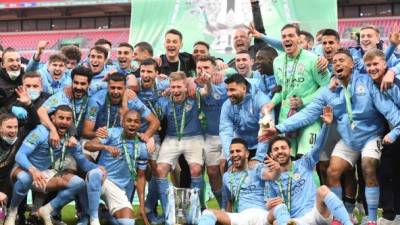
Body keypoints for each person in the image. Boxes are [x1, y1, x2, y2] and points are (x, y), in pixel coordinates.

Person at [263, 49, 400, 225]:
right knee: (332, 171)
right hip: (349, 138)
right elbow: (308, 114)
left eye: (342, 60)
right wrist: (279, 128)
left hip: (371, 136)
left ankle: (372, 219)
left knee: (368, 166)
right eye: (334, 62)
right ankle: (341, 216)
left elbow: (391, 111)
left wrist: (395, 130)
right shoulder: (328, 91)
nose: (337, 64)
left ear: (352, 64)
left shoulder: (366, 83)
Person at [3, 105, 103, 225]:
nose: (64, 122)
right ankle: (12, 212)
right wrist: (33, 170)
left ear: (71, 121)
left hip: (43, 174)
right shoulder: (40, 132)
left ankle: (47, 210)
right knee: (26, 178)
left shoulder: (70, 140)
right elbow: (19, 156)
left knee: (78, 183)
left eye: (68, 119)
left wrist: (98, 168)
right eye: (61, 118)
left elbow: (84, 164)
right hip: (21, 170)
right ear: (53, 118)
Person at [265, 107, 353, 225]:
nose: (280, 151)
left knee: (323, 190)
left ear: (290, 150)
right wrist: (269, 205)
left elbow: (318, 146)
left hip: (316, 213)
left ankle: (347, 223)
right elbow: (269, 206)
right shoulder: (271, 178)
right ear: (271, 154)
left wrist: (326, 126)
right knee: (276, 221)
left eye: (283, 148)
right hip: (295, 220)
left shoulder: (304, 163)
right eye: (276, 149)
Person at [264, 24, 331, 157]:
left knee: (306, 160)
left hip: (309, 118)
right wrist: (272, 103)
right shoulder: (277, 61)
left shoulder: (314, 59)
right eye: (284, 36)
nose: (287, 39)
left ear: (299, 38)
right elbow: (282, 89)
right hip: (286, 117)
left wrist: (304, 100)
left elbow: (327, 87)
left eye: (291, 35)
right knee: (286, 160)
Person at [154, 71, 211, 218]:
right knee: (160, 170)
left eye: (179, 87)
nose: (176, 90)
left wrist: (204, 82)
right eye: (173, 87)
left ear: (186, 87)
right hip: (172, 138)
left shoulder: (194, 96)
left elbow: (206, 91)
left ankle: (195, 211)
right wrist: (162, 92)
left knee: (196, 170)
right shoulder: (164, 101)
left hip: (194, 137)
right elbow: (154, 116)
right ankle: (170, 212)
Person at [84, 110, 149, 225]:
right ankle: (94, 219)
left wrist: (142, 207)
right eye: (129, 121)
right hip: (102, 179)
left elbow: (141, 178)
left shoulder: (142, 147)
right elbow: (88, 145)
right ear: (122, 122)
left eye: (136, 121)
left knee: (128, 223)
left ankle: (105, 213)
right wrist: (105, 147)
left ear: (139, 124)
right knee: (95, 173)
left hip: (118, 188)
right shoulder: (111, 133)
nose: (132, 124)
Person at [197, 138, 280, 225]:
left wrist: (277, 170)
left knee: (278, 219)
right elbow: (228, 201)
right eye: (232, 152)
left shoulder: (256, 167)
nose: (235, 154)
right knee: (207, 212)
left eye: (238, 151)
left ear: (247, 154)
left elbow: (272, 176)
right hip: (241, 217)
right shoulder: (227, 176)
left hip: (262, 215)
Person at [81, 72, 159, 159]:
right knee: (85, 156)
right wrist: (98, 134)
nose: (115, 91)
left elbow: (155, 121)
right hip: (100, 138)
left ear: (125, 88)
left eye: (119, 88)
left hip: (123, 139)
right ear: (107, 87)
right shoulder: (96, 101)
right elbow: (86, 132)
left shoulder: (132, 100)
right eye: (112, 88)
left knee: (146, 152)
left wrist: (147, 136)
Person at [363, 49, 400, 224]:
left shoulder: (393, 84)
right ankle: (390, 213)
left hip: (396, 131)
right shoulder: (371, 83)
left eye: (376, 64)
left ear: (385, 64)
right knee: (386, 172)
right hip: (391, 133)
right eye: (368, 65)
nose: (372, 68)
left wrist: (395, 132)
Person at [195, 56, 228, 208]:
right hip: (209, 136)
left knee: (225, 167)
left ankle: (232, 206)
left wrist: (225, 68)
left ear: (215, 69)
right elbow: (205, 92)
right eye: (199, 68)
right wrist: (206, 82)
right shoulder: (196, 86)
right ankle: (223, 206)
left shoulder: (227, 81)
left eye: (206, 68)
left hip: (229, 134)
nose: (202, 71)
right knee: (213, 172)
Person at [219, 74, 271, 163]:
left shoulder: (262, 101)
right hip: (241, 145)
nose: (228, 94)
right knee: (224, 164)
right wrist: (230, 159)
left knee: (259, 171)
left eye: (232, 90)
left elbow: (266, 130)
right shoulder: (227, 105)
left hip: (262, 145)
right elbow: (225, 132)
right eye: (227, 90)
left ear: (244, 88)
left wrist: (259, 158)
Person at [37, 66, 93, 143]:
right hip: (63, 138)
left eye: (83, 84)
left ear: (89, 84)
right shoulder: (62, 96)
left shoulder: (93, 96)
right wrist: (53, 130)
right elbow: (41, 111)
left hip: (82, 139)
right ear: (72, 82)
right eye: (76, 83)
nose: (78, 87)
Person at [0, 114, 21, 212]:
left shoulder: (19, 138)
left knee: (22, 178)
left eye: (15, 127)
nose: (13, 130)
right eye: (9, 127)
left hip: (5, 184)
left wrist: (30, 104)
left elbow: (33, 122)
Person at [0, 47, 24, 114]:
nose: (15, 64)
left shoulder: (25, 77)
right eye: (11, 60)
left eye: (18, 60)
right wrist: (10, 109)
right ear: (2, 65)